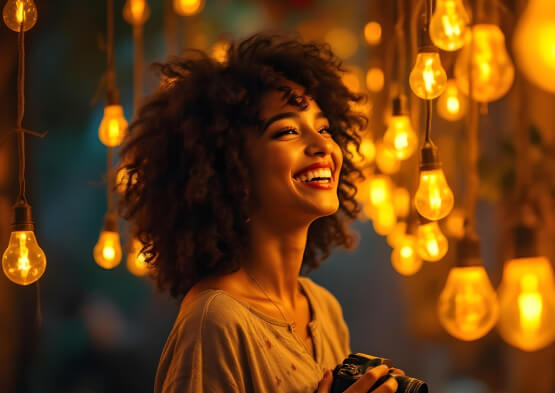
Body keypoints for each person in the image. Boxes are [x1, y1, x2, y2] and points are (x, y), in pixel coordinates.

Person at [118, 33, 401, 393]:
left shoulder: (324, 309)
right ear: (232, 170)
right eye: (287, 131)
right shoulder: (215, 321)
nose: (322, 146)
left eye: (324, 127)